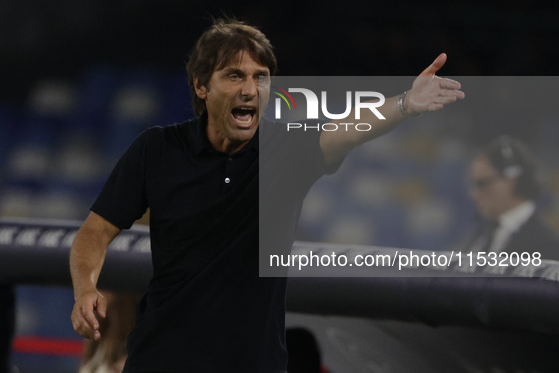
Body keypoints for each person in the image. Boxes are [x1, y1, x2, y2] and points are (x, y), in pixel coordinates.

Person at [69, 18, 464, 372]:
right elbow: (94, 233)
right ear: (201, 86)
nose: (250, 89)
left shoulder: (285, 149)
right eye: (235, 76)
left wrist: (406, 104)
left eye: (260, 77)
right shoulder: (156, 150)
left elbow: (348, 127)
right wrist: (86, 287)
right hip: (160, 360)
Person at [465, 135, 559, 260]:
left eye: (481, 184)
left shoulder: (547, 245)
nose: (473, 194)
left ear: (510, 181)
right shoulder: (481, 235)